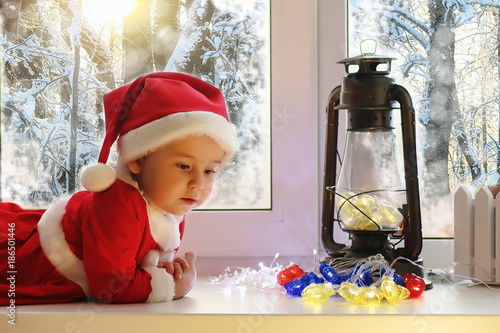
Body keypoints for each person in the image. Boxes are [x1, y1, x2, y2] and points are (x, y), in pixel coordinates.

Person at [0, 72, 237, 304]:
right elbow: (113, 287)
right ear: (136, 160)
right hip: (25, 259)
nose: (198, 182)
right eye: (184, 165)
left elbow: (136, 262)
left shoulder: (170, 203)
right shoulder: (119, 203)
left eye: (209, 171)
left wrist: (165, 269)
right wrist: (175, 286)